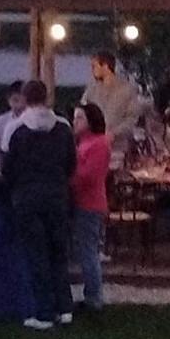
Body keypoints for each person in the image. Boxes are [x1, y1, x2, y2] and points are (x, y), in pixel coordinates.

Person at [2, 80, 76, 330]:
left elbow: (6, 166)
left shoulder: (15, 128)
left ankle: (44, 313)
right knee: (58, 251)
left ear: (24, 98)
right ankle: (65, 307)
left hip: (27, 197)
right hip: (57, 195)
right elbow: (71, 164)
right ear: (47, 97)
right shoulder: (64, 127)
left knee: (37, 254)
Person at [71, 102, 110, 312]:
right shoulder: (83, 143)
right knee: (84, 249)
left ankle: (94, 298)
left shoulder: (98, 144)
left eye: (80, 118)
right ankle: (90, 294)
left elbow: (88, 176)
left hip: (90, 203)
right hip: (82, 201)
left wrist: (68, 176)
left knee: (88, 251)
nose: (75, 122)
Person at [80, 52, 141, 147]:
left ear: (105, 66)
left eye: (94, 66)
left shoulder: (127, 89)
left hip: (118, 147)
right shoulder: (91, 89)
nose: (92, 70)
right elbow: (82, 111)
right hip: (94, 145)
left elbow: (132, 118)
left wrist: (115, 133)